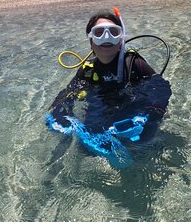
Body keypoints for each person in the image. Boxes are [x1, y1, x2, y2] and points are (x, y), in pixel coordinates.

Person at [45, 8, 171, 167]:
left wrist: (152, 113)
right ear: (91, 41)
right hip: (101, 108)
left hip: (132, 112)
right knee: (85, 146)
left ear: (121, 39)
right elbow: (69, 92)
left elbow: (160, 87)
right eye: (99, 33)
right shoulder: (88, 69)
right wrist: (58, 111)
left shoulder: (132, 63)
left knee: (144, 146)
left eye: (113, 32)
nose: (106, 37)